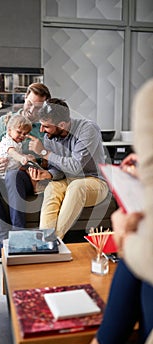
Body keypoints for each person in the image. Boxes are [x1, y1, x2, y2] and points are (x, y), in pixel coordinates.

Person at [87, 79, 153, 344]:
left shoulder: (85, 130)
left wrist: (125, 240)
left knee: (132, 268)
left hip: (83, 180)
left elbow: (75, 165)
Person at [0, 83, 51, 260]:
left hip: (25, 177)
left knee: (13, 174)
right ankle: (4, 240)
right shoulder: (7, 121)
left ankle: (19, 237)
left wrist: (40, 154)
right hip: (2, 173)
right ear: (25, 98)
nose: (32, 109)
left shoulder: (44, 127)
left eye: (38, 106)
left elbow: (50, 160)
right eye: (30, 103)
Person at [27, 98, 109, 239]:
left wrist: (44, 153)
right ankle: (45, 241)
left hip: (94, 181)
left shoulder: (87, 129)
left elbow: (77, 166)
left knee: (76, 186)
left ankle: (54, 241)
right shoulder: (50, 137)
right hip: (67, 180)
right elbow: (58, 168)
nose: (42, 130)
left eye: (46, 126)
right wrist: (48, 175)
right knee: (52, 188)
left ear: (62, 125)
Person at [0, 113, 42, 193]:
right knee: (28, 167)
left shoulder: (17, 142)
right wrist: (22, 158)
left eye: (24, 134)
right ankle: (35, 187)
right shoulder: (7, 141)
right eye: (19, 132)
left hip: (13, 167)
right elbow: (12, 153)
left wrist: (26, 156)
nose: (22, 136)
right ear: (9, 130)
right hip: (6, 171)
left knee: (31, 166)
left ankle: (36, 185)